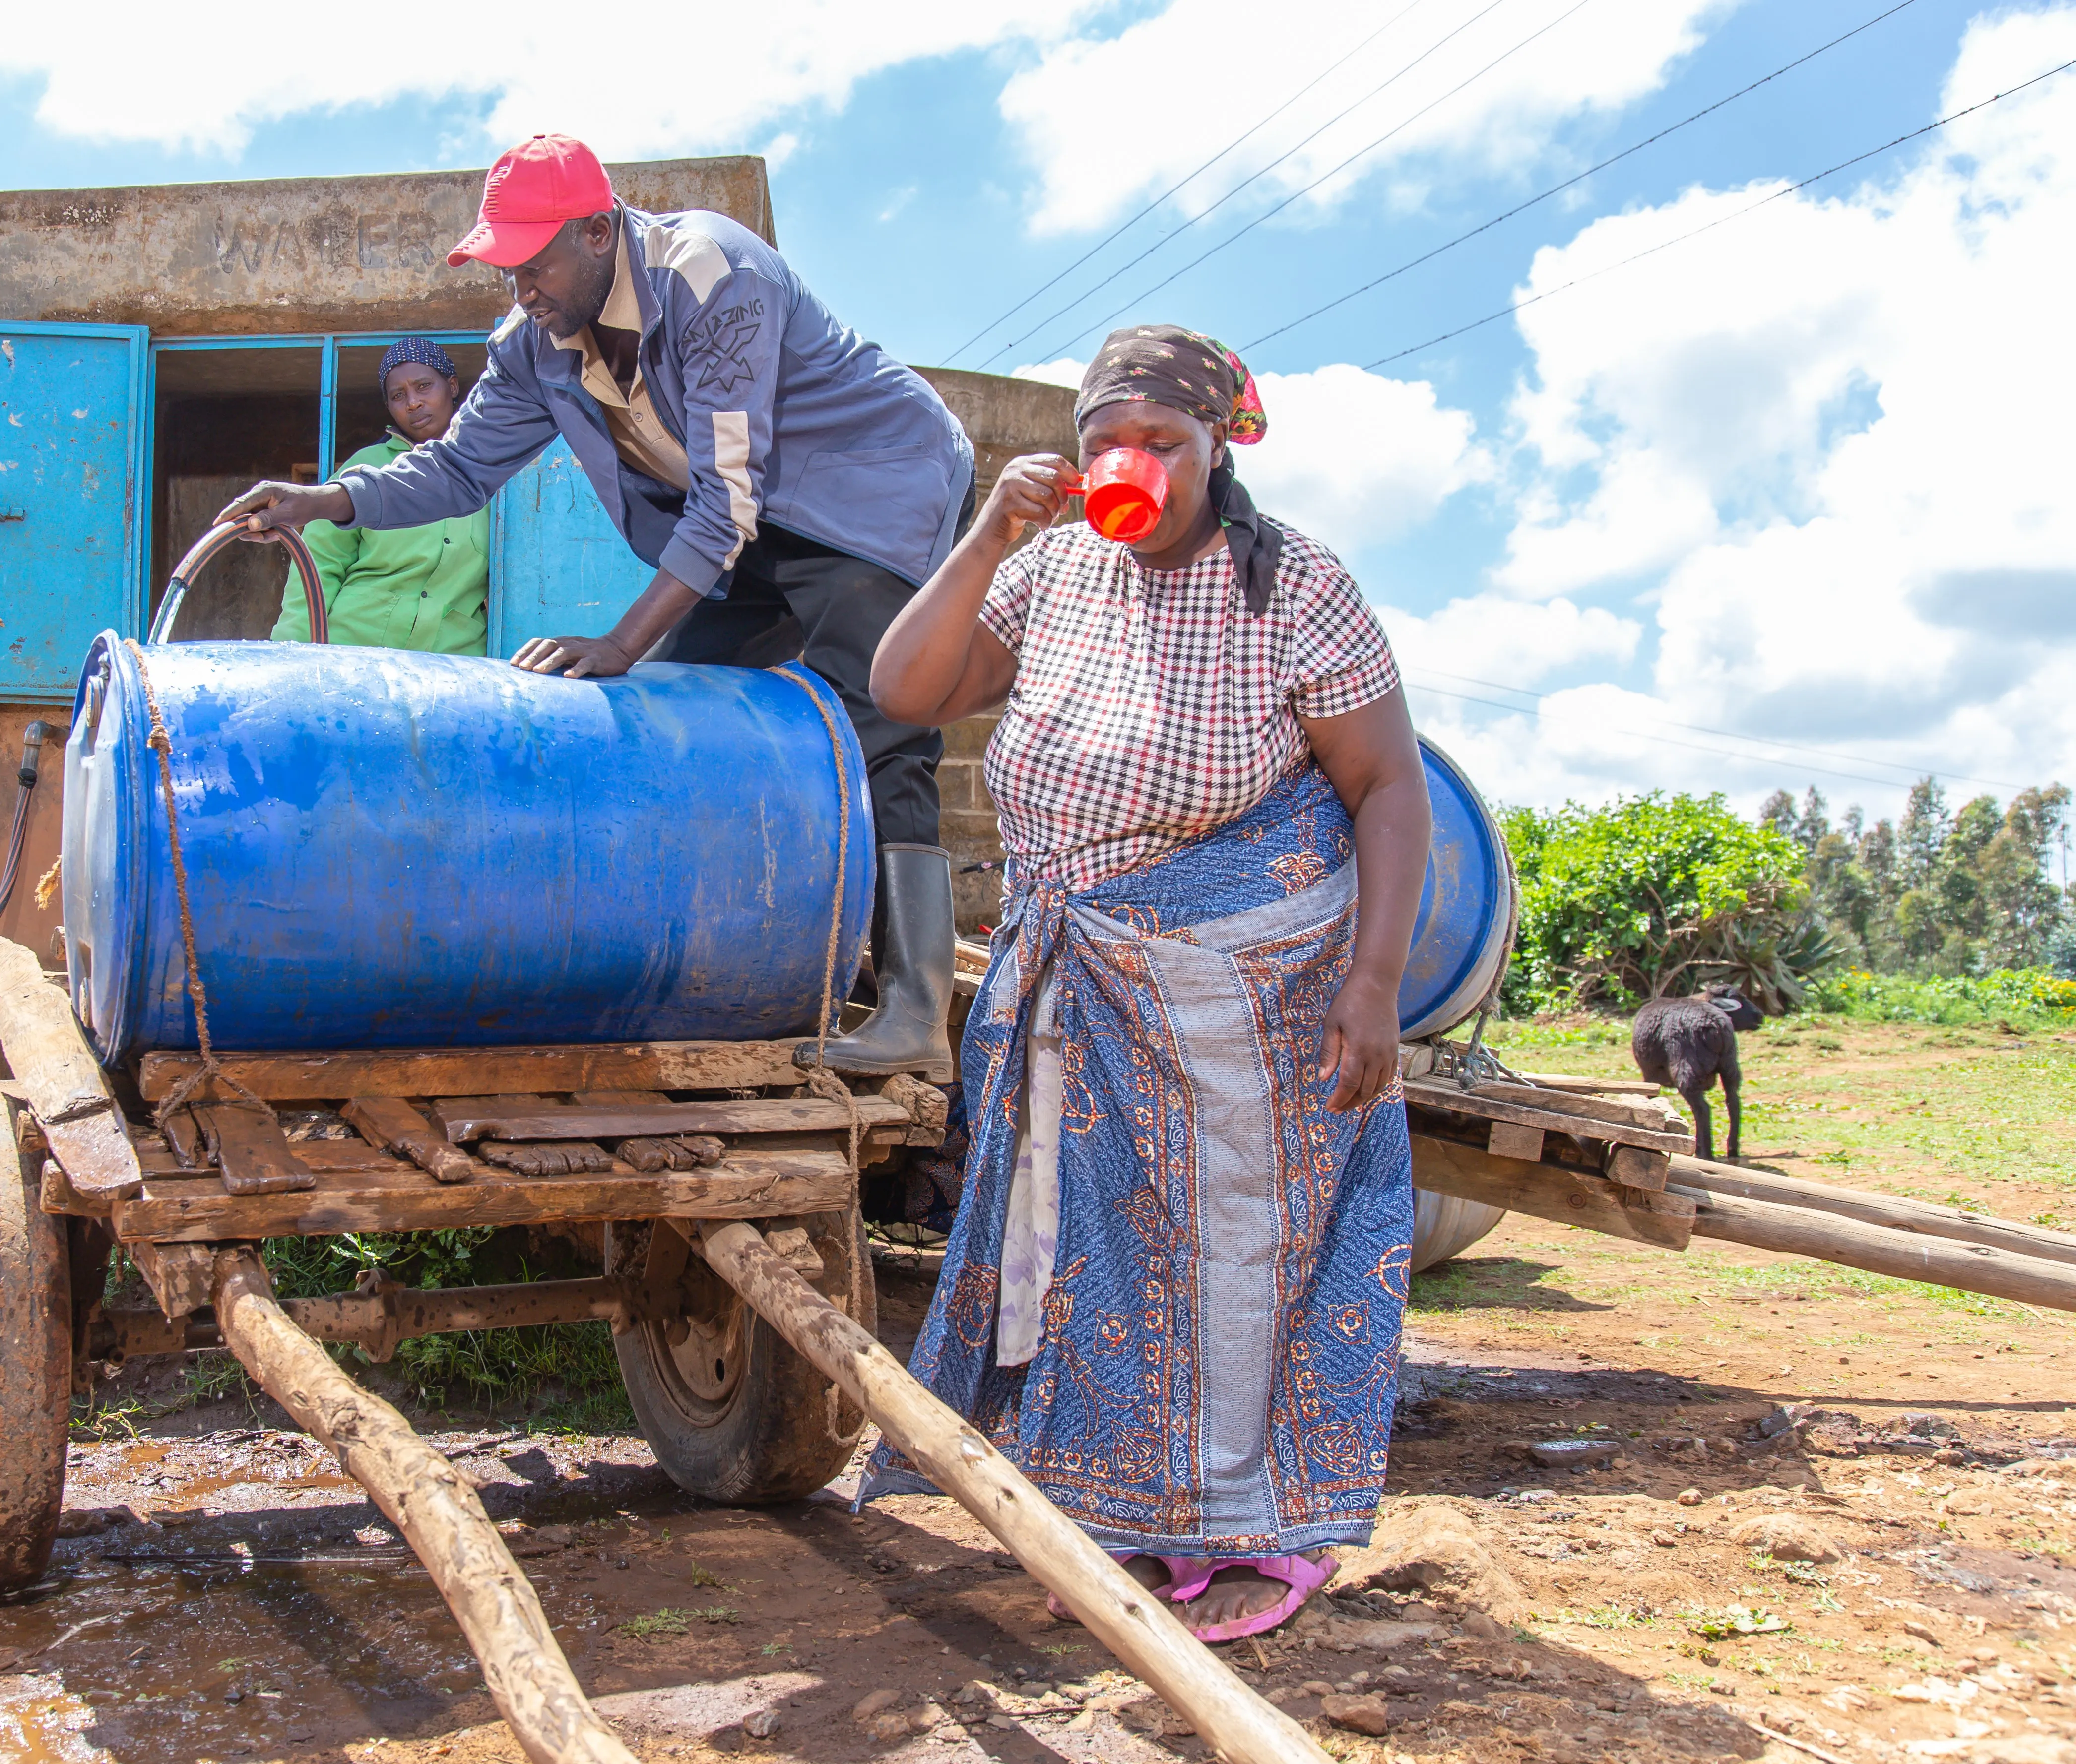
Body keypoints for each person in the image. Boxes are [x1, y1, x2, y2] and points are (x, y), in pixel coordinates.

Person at [857, 325, 1433, 1642]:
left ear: (1216, 446)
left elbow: (1388, 788)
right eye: (1108, 444)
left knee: (1244, 1250)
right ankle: (1129, 1513)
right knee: (1098, 1249)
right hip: (1085, 967)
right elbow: (906, 687)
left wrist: (1377, 981)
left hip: (1256, 985)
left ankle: (1259, 1526)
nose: (1138, 470)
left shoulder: (1297, 588)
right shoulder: (1053, 569)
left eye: (1164, 445)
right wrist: (987, 538)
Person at [216, 134, 976, 1075]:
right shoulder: (533, 346)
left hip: (873, 495)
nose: (520, 287)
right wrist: (326, 501)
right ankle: (730, 969)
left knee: (881, 718)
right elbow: (459, 468)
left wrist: (620, 638)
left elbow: (725, 496)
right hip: (756, 530)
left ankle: (910, 1014)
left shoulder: (708, 271)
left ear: (598, 229)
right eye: (504, 269)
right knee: (683, 714)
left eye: (533, 261)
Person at [276, 338, 491, 654]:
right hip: (354, 650)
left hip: (452, 663)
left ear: (453, 387)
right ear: (389, 407)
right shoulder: (367, 468)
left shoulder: (495, 472)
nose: (413, 403)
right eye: (398, 396)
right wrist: (291, 650)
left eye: (424, 387)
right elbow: (318, 563)